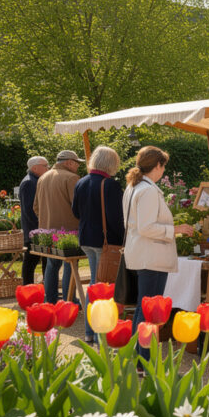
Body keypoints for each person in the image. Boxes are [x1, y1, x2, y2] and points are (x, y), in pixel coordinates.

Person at [122, 146, 193, 358]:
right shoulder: (148, 190)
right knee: (149, 312)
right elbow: (146, 227)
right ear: (158, 166)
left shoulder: (134, 186)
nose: (164, 171)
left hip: (142, 254)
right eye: (163, 166)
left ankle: (137, 358)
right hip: (151, 256)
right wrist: (176, 230)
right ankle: (143, 360)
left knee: (142, 309)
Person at [72, 146, 124, 345]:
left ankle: (91, 332)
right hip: (106, 242)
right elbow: (116, 219)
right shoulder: (110, 185)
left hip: (86, 238)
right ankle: (96, 332)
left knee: (96, 284)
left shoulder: (81, 182)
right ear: (111, 163)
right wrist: (124, 239)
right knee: (101, 288)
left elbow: (75, 211)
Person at [35, 150, 83, 303]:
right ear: (69, 162)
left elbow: (36, 207)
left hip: (47, 230)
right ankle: (70, 301)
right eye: (77, 163)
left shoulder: (43, 177)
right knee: (71, 265)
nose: (78, 166)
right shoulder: (71, 178)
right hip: (69, 230)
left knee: (52, 265)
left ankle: (50, 300)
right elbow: (78, 207)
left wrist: (47, 220)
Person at [19, 156, 49, 284]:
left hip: (37, 229)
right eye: (45, 165)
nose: (48, 168)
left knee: (45, 260)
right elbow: (30, 210)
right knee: (31, 261)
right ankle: (28, 288)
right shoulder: (29, 182)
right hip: (34, 230)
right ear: (35, 168)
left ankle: (47, 287)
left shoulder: (35, 180)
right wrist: (41, 228)